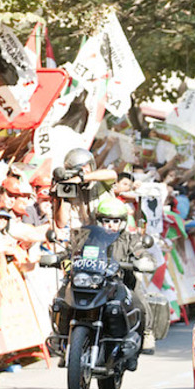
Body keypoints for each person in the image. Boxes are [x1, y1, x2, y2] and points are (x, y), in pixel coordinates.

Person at [94, 197, 156, 354]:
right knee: (63, 297)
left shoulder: (130, 238)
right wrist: (62, 257)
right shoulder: (89, 236)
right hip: (93, 282)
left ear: (122, 222)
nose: (110, 225)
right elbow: (73, 250)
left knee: (138, 299)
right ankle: (63, 338)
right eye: (106, 220)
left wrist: (144, 260)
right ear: (99, 220)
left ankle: (147, 332)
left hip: (121, 282)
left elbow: (140, 250)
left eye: (115, 221)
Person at [54, 148, 117, 229]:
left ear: (92, 165)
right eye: (78, 168)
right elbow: (61, 223)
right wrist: (59, 198)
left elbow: (112, 174)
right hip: (83, 238)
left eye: (86, 166)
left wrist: (81, 178)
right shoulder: (69, 189)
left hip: (107, 233)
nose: (83, 170)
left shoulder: (101, 181)